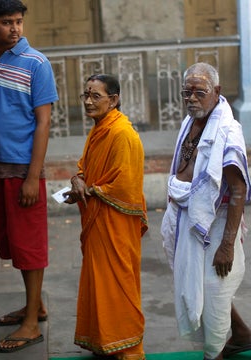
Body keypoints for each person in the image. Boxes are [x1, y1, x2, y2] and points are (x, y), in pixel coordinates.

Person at [0, 0, 58, 353]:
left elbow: (44, 121)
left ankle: (31, 324)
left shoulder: (37, 64)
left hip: (22, 170)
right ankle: (35, 305)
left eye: (19, 22)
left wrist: (34, 177)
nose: (15, 28)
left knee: (30, 245)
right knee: (13, 243)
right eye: (7, 22)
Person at [160, 62, 251, 360]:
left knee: (214, 291)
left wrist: (227, 245)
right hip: (189, 218)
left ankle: (213, 354)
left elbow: (238, 190)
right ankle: (242, 335)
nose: (191, 99)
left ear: (217, 92)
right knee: (201, 287)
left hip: (217, 225)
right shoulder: (190, 123)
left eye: (199, 92)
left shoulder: (227, 130)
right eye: (186, 93)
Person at [64, 74, 148, 359]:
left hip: (115, 223)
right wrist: (78, 179)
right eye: (85, 95)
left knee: (117, 284)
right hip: (97, 219)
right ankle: (104, 341)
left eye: (95, 96)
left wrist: (90, 189)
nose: (88, 101)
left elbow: (125, 184)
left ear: (114, 100)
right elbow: (85, 165)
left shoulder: (122, 133)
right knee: (99, 284)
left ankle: (126, 346)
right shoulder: (100, 128)